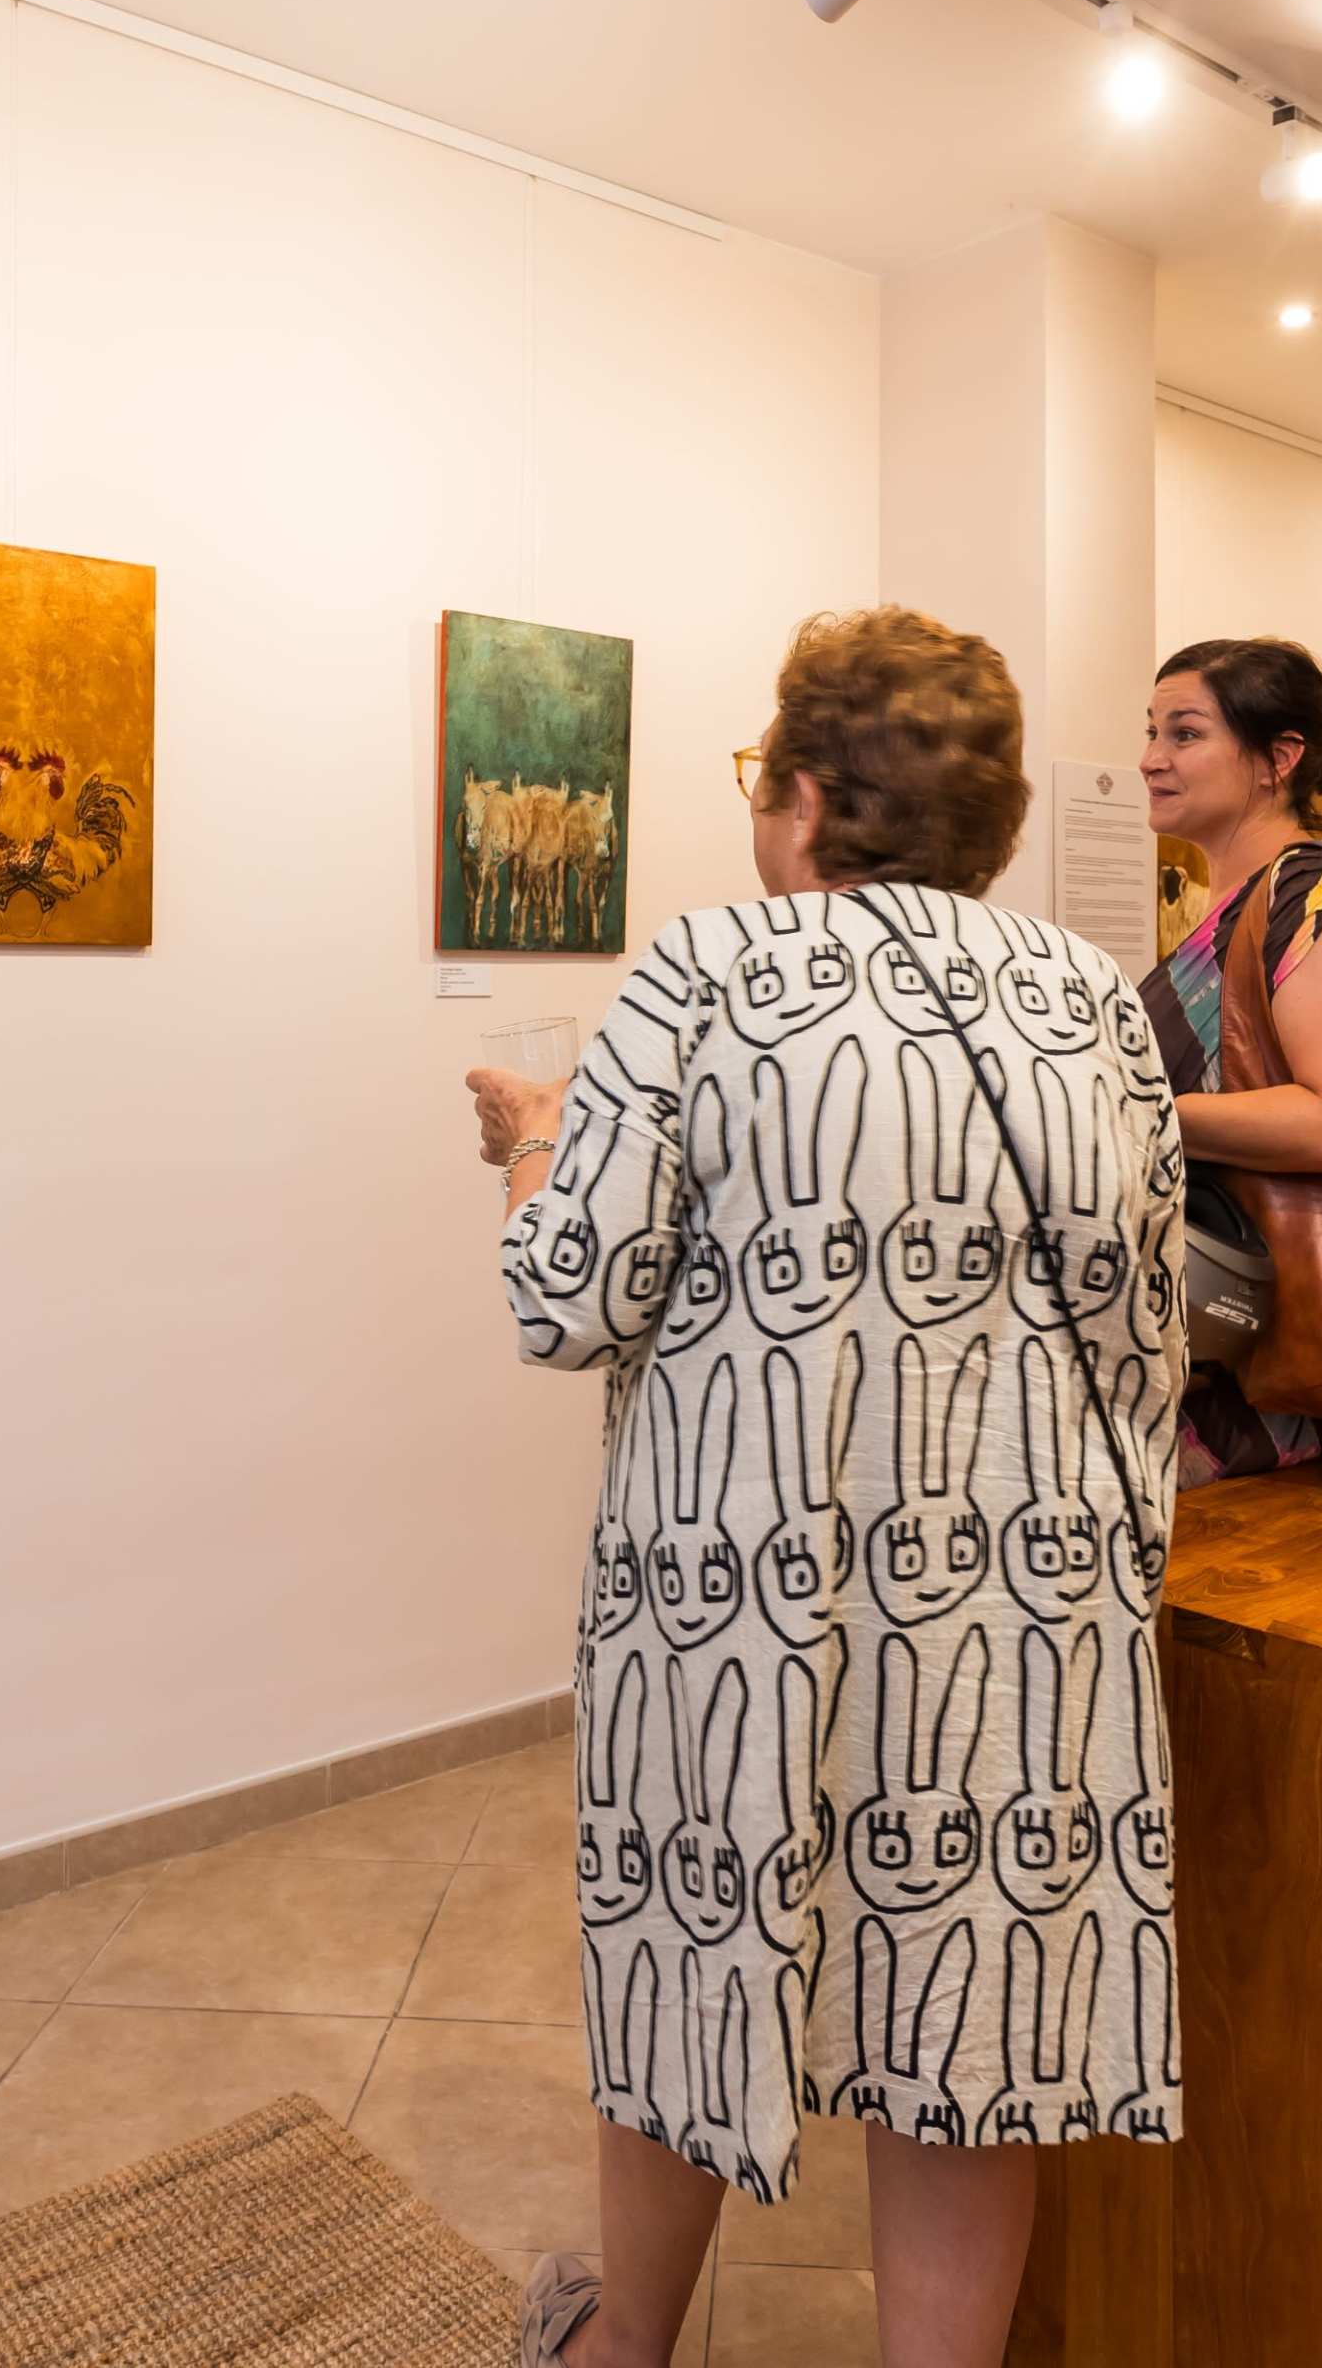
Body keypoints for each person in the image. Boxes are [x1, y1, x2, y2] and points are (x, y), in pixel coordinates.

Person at [460, 607, 1187, 2368]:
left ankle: (619, 2347)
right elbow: (1149, 1326)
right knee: (969, 2028)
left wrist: (538, 1139)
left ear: (799, 791)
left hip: (741, 1597)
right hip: (1025, 1602)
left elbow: (566, 1298)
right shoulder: (1090, 994)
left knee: (694, 1956)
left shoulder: (705, 973)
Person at [1136, 637, 1322, 1483]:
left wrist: (1132, 1108)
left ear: (1277, 759)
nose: (1151, 760)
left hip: (1276, 1351)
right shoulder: (1239, 903)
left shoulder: (1313, 896)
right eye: (1150, 732)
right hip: (1218, 1330)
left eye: (1184, 735)